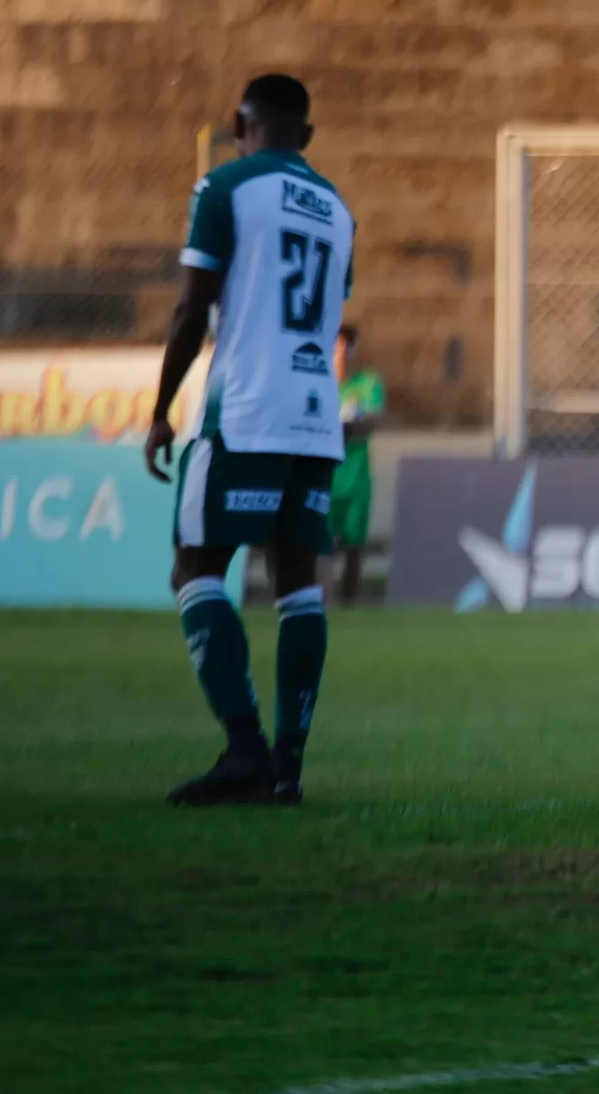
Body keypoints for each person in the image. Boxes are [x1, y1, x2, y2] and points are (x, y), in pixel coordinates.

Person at [145, 73, 357, 807]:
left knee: (195, 568)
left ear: (240, 118)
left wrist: (161, 407)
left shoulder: (225, 187)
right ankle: (288, 766)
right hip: (314, 414)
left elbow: (191, 308)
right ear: (307, 134)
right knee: (298, 581)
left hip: (246, 408)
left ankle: (244, 750)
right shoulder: (338, 208)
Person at [330, 325, 386, 606]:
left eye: (345, 346)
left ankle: (349, 604)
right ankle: (320, 606)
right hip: (324, 478)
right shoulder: (319, 383)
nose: (340, 353)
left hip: (356, 478)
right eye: (335, 346)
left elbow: (374, 420)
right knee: (320, 548)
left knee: (354, 545)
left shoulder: (367, 383)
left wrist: (345, 425)